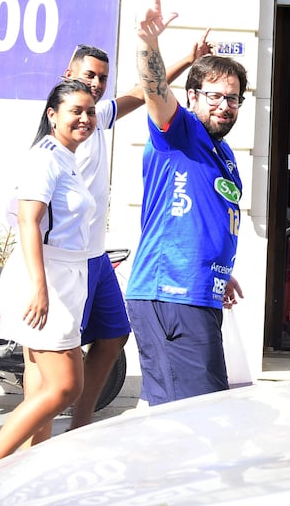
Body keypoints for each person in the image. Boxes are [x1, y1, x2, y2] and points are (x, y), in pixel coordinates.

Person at [61, 38, 213, 428]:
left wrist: (186, 58)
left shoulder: (96, 117)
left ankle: (79, 425)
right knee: (55, 352)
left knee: (114, 337)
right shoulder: (58, 129)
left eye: (101, 78)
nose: (96, 83)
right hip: (63, 259)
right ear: (69, 74)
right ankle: (37, 435)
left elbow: (141, 91)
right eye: (88, 75)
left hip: (95, 257)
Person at [0, 79, 96, 479]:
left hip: (63, 276)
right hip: (46, 277)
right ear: (52, 115)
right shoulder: (45, 158)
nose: (85, 118)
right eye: (75, 111)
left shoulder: (65, 156)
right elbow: (27, 221)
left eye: (89, 112)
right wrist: (40, 287)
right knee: (66, 387)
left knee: (40, 385)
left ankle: (33, 470)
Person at [125, 0, 247, 406]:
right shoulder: (179, 132)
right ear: (192, 98)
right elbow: (155, 90)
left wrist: (219, 270)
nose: (224, 105)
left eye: (232, 98)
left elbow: (205, 216)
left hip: (200, 293)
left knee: (173, 413)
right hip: (171, 295)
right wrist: (149, 42)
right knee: (198, 418)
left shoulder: (223, 153)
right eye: (213, 95)